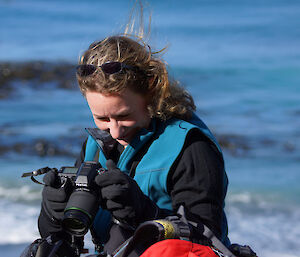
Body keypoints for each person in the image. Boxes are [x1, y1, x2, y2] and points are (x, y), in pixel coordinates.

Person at [37, 35, 231, 256]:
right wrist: (53, 214)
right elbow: (69, 240)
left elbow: (208, 240)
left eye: (124, 116)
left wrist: (144, 211)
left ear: (151, 90)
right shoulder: (95, 145)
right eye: (102, 118)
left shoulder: (190, 147)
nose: (115, 131)